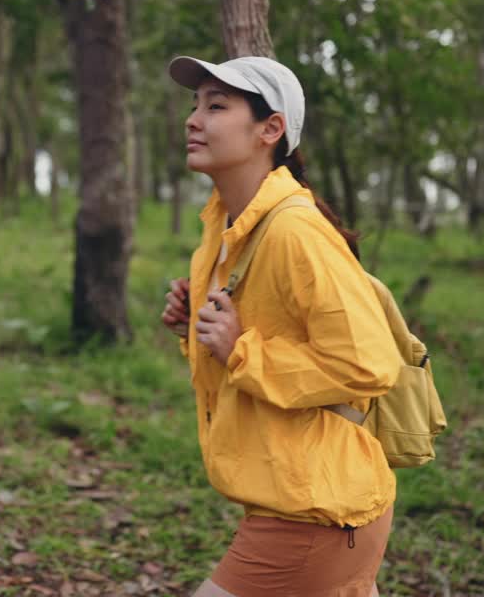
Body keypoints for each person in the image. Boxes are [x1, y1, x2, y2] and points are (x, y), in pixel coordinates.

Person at [159, 55, 404, 597]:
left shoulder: (294, 230)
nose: (193, 120)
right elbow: (258, 348)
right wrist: (197, 333)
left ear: (271, 130)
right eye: (194, 105)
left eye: (216, 106)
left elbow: (369, 363)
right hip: (304, 500)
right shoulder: (226, 227)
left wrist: (240, 349)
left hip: (313, 511)